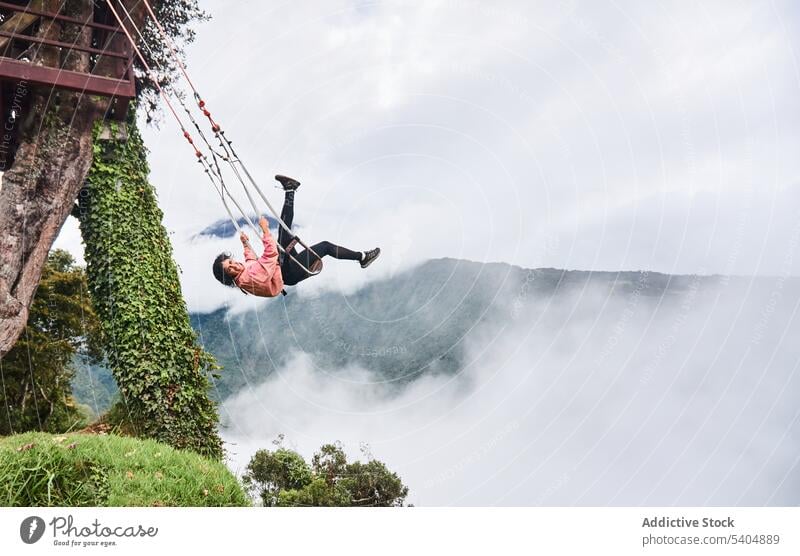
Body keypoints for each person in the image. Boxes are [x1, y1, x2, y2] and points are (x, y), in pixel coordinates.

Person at [212, 175, 380, 296]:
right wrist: (265, 230)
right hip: (288, 273)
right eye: (230, 269)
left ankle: (290, 189)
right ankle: (362, 257)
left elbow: (250, 261)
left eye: (231, 262)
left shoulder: (243, 274)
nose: (234, 265)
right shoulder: (248, 278)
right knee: (325, 247)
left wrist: (245, 244)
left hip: (281, 268)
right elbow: (270, 255)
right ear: (229, 277)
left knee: (284, 233)